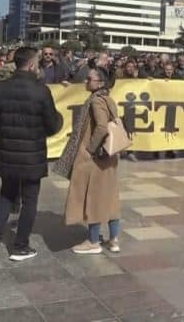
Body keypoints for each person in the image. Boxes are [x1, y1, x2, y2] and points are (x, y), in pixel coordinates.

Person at [0, 47, 63, 261]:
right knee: (29, 201)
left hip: (6, 153)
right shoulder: (41, 90)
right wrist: (58, 119)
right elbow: (53, 125)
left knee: (6, 196)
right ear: (31, 64)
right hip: (31, 156)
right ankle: (20, 246)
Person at [54, 67, 122, 255]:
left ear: (100, 83)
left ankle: (93, 241)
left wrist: (91, 148)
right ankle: (114, 240)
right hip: (109, 155)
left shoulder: (96, 102)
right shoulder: (108, 99)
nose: (86, 81)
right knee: (109, 198)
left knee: (93, 198)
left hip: (96, 157)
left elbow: (101, 127)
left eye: (89, 79)